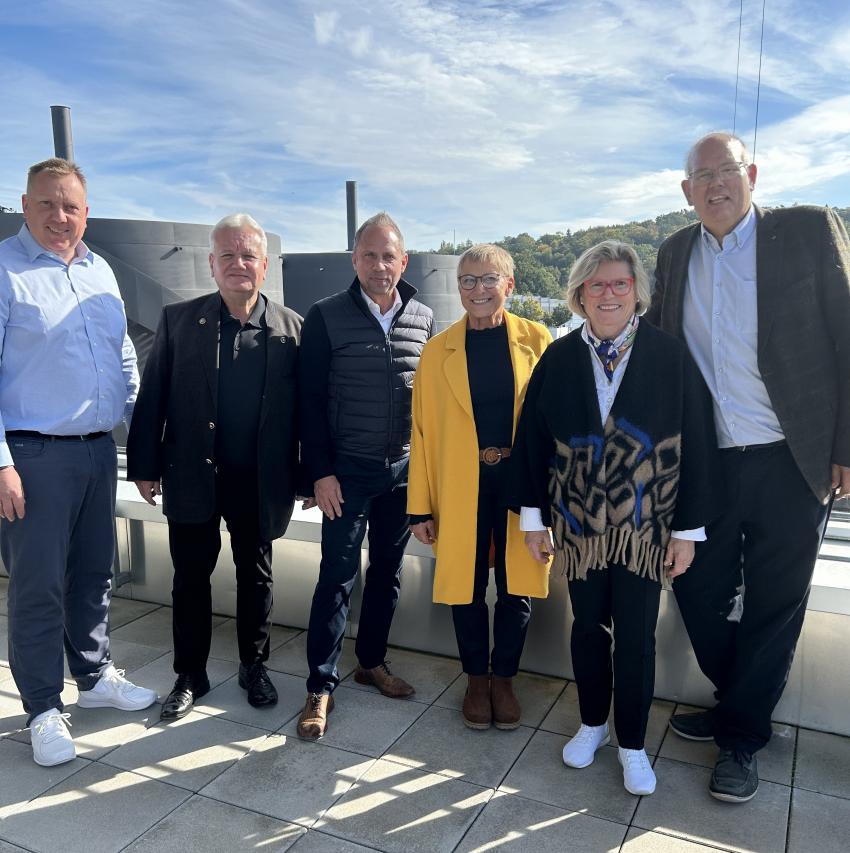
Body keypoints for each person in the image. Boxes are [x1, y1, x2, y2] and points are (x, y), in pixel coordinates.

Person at [648, 132, 850, 802]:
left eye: (726, 170)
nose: (715, 185)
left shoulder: (808, 231)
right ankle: (741, 699)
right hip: (708, 460)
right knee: (696, 587)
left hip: (793, 457)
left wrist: (846, 445)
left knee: (776, 600)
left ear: (752, 174)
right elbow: (660, 352)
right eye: (700, 176)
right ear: (686, 193)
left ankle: (739, 738)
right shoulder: (676, 253)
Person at [509, 240, 718, 796]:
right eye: (596, 284)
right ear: (579, 293)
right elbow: (531, 442)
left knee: (637, 637)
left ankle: (631, 744)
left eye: (619, 283)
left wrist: (687, 531)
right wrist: (535, 519)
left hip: (645, 530)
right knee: (586, 628)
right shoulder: (558, 357)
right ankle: (592, 725)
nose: (608, 293)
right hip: (578, 529)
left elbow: (696, 441)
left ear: (637, 292)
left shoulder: (670, 356)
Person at [0, 158, 156, 766]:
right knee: (39, 587)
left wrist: (140, 432)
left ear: (85, 211)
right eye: (47, 204)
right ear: (24, 204)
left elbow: (121, 355)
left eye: (71, 206)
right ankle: (42, 706)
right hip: (33, 455)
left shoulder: (100, 270)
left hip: (97, 451)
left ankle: (93, 680)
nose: (60, 217)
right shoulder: (6, 270)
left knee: (94, 572)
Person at [126, 213, 303, 719]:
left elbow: (308, 411)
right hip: (191, 475)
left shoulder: (292, 328)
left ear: (264, 266)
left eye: (248, 255)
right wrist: (144, 463)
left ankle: (254, 666)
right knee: (190, 578)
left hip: (259, 480)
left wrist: (310, 473)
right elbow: (153, 394)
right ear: (211, 263)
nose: (238, 264)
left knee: (257, 577)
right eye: (227, 255)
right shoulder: (179, 321)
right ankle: (190, 674)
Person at [296, 212, 433, 739]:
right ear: (355, 259)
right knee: (336, 578)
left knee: (387, 575)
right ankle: (320, 686)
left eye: (389, 256)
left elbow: (431, 406)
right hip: (345, 473)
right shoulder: (326, 315)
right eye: (369, 255)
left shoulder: (422, 316)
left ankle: (371, 662)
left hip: (401, 473)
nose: (380, 265)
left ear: (404, 260)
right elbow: (308, 401)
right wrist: (320, 474)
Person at [407, 244, 551, 730]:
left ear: (508, 286)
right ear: (458, 288)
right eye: (468, 280)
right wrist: (419, 507)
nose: (478, 289)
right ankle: (475, 678)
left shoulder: (539, 340)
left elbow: (553, 427)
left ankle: (504, 679)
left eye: (489, 279)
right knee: (465, 589)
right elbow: (421, 433)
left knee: (517, 590)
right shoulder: (437, 350)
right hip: (460, 488)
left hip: (520, 487)